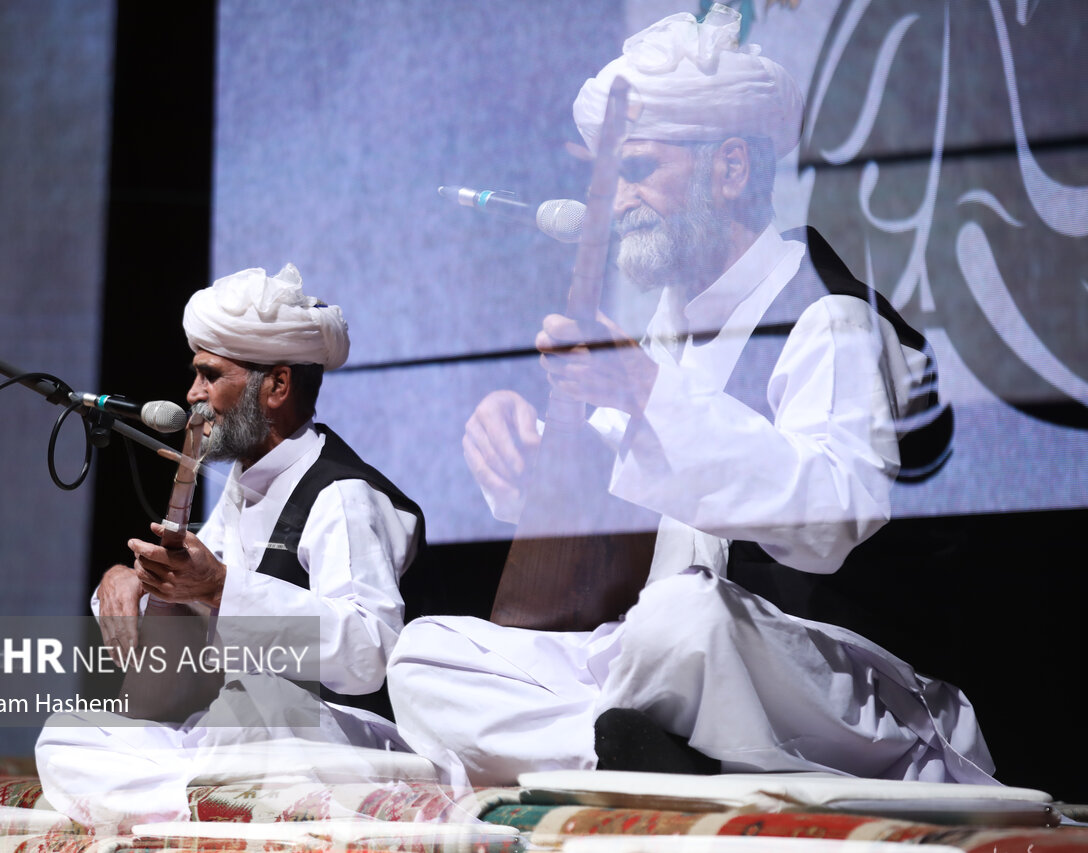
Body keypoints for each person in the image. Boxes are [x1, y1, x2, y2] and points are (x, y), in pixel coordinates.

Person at [386, 5, 995, 787]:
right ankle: (627, 749)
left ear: (730, 170)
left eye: (638, 170)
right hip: (664, 664)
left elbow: (832, 516)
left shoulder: (827, 316)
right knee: (426, 653)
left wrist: (645, 391)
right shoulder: (667, 332)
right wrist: (531, 461)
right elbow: (610, 511)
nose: (616, 202)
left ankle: (622, 748)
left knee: (680, 618)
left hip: (826, 675)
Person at [36, 264, 427, 831]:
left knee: (250, 708)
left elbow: (369, 652)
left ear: (277, 386)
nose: (193, 395)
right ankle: (199, 803)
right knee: (68, 734)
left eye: (209, 375)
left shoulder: (341, 495)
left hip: (328, 734)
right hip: (235, 731)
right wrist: (129, 582)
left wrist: (220, 587)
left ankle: (186, 802)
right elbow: (188, 608)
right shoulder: (245, 485)